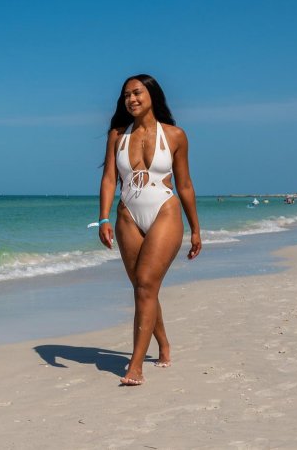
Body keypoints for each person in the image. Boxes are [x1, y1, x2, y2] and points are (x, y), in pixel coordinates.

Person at [96, 74, 202, 386]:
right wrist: (103, 219)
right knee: (144, 290)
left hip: (164, 213)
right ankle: (164, 345)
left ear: (152, 95)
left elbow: (184, 184)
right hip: (127, 215)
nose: (131, 99)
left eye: (137, 93)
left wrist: (196, 229)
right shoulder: (118, 135)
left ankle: (136, 365)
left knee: (145, 286)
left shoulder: (175, 135)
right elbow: (108, 180)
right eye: (126, 95)